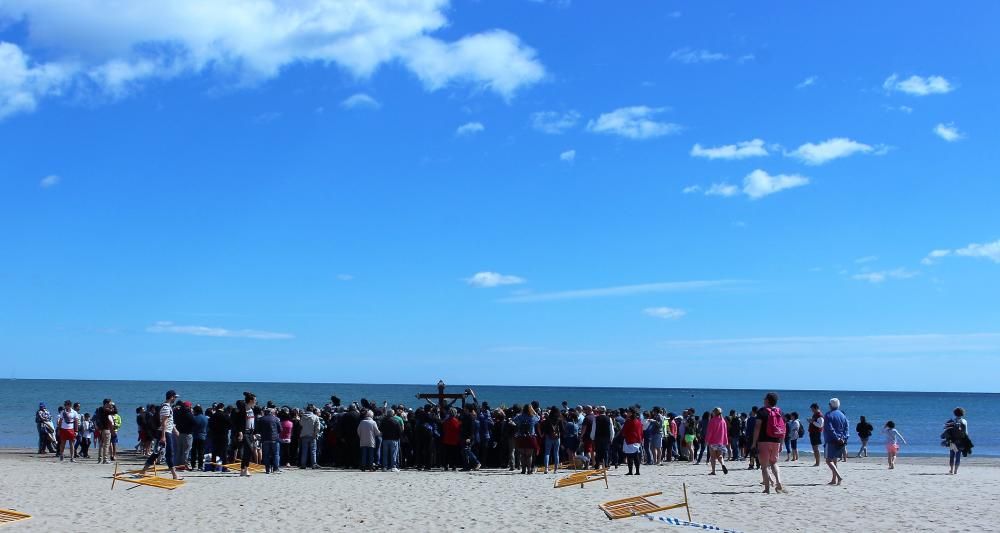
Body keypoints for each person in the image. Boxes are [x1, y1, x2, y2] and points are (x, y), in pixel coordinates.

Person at [142, 390, 182, 480]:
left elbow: (169, 422)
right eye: (175, 397)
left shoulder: (167, 407)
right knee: (168, 453)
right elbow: (163, 422)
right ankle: (174, 475)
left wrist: (175, 430)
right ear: (171, 397)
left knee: (157, 452)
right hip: (164, 433)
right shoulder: (166, 408)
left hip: (166, 432)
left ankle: (144, 470)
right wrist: (163, 436)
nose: (175, 399)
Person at [751, 392, 786, 494]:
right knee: (774, 463)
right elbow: (783, 429)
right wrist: (782, 443)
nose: (763, 400)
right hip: (776, 441)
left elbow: (757, 427)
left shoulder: (762, 412)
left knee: (764, 466)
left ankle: (767, 488)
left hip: (763, 441)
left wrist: (754, 442)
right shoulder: (780, 412)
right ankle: (779, 482)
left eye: (764, 399)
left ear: (767, 400)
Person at [823, 398, 849, 486]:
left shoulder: (828, 415)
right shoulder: (842, 415)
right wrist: (844, 438)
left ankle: (838, 477)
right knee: (835, 460)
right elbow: (846, 428)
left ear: (830, 405)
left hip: (831, 440)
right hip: (841, 441)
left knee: (828, 460)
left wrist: (837, 438)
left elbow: (830, 429)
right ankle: (834, 479)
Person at [512, 404, 539, 474]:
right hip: (530, 437)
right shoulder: (533, 417)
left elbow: (513, 420)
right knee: (529, 455)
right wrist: (534, 411)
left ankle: (523, 470)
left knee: (522, 454)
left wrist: (520, 414)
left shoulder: (520, 417)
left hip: (521, 436)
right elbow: (538, 418)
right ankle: (529, 470)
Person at [945, 407, 970, 475]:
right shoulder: (964, 421)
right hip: (961, 441)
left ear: (955, 413)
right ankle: (956, 471)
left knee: (952, 455)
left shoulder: (951, 421)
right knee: (958, 455)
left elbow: (947, 431)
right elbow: (966, 433)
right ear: (962, 413)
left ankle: (951, 470)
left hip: (953, 441)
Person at [238, 392, 257, 477]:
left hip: (250, 432)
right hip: (244, 432)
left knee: (249, 451)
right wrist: (240, 432)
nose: (255, 402)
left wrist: (254, 433)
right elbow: (239, 422)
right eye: (254, 400)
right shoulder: (243, 409)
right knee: (249, 449)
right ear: (250, 401)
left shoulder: (252, 410)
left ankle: (244, 469)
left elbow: (252, 422)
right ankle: (245, 469)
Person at [705, 407, 729, 475]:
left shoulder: (712, 421)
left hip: (713, 441)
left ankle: (713, 471)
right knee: (720, 456)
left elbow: (710, 432)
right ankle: (723, 464)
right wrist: (725, 441)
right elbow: (725, 432)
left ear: (714, 412)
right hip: (721, 441)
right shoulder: (723, 421)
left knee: (713, 457)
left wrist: (707, 440)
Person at [258, 407, 281, 474]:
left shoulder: (261, 419)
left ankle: (267, 469)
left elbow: (258, 430)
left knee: (266, 454)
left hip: (265, 439)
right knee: (276, 454)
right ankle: (275, 468)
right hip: (275, 438)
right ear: (271, 412)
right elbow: (280, 429)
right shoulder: (276, 419)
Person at [539, 407, 562, 474]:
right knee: (556, 453)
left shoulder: (547, 420)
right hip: (557, 437)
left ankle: (546, 468)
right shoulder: (559, 420)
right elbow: (562, 429)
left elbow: (544, 429)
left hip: (548, 437)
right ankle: (555, 469)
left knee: (547, 453)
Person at [621, 409, 643, 475]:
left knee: (629, 456)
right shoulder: (638, 421)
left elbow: (624, 430)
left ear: (631, 413)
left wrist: (623, 435)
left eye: (628, 412)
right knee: (636, 456)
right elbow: (641, 430)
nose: (627, 413)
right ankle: (637, 471)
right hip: (637, 440)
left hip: (630, 439)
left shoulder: (628, 421)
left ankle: (630, 471)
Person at [190, 405, 208, 470]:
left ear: (196, 411)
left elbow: (192, 427)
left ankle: (193, 465)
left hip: (195, 436)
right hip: (203, 436)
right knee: (201, 452)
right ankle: (200, 466)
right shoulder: (205, 418)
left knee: (194, 452)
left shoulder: (194, 418)